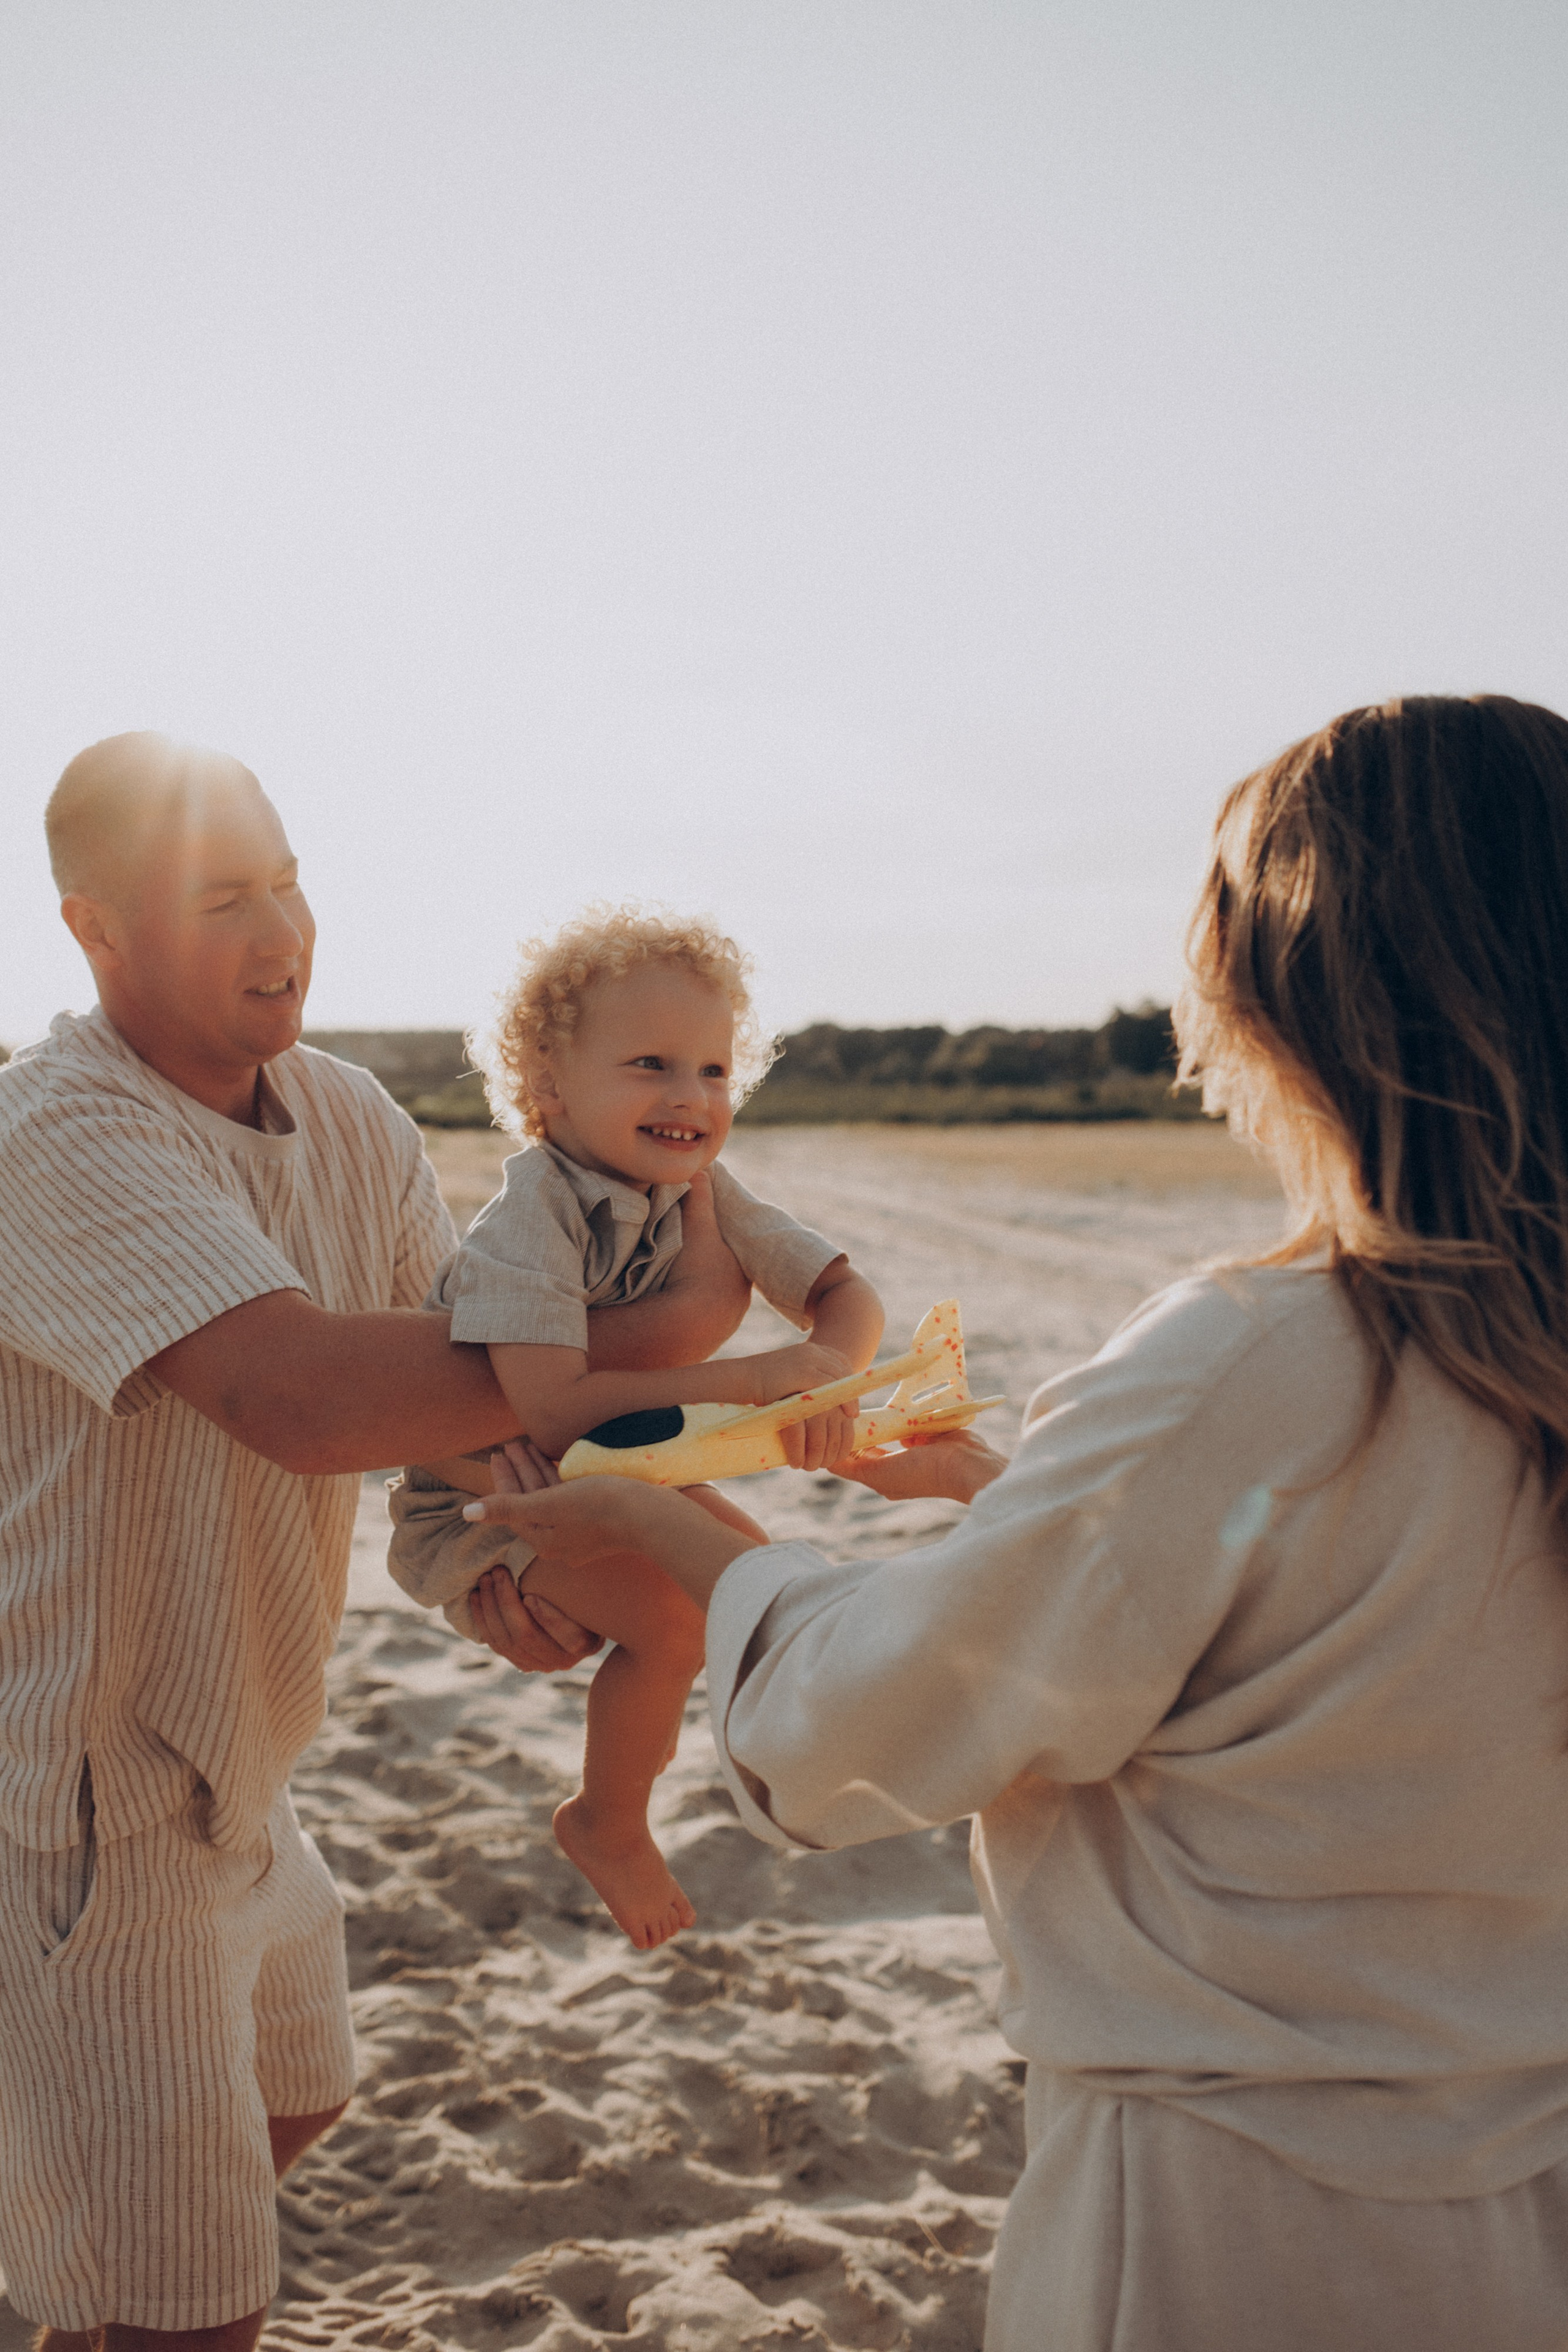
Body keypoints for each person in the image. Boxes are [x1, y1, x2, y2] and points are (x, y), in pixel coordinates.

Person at [463, 695, 1568, 2351]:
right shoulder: (1506, 1349)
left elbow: (875, 1731)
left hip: (1240, 2213)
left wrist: (692, 1534)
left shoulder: (1259, 1356)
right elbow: (1345, 1636)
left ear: (1276, 995)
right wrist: (998, 1495)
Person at [0, 734, 748, 2352]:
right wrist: (719, 1362)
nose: (281, 928)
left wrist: (489, 1580)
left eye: (288, 879)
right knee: (186, 2311)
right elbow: (300, 1398)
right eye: (221, 899)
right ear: (95, 931)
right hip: (83, 1801)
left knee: (294, 2104)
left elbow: (458, 1417)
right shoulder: (56, 1136)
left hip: (248, 1766)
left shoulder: (345, 1115)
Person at [387, 905, 882, 1948]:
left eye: (713, 1070)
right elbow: (551, 1410)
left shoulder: (701, 1186)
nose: (689, 1097)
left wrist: (831, 1376)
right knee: (672, 1626)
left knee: (759, 1582)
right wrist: (755, 1379)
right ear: (549, 1085)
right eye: (651, 1063)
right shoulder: (532, 1214)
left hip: (616, 1469)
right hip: (491, 1486)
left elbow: (844, 1296)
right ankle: (607, 1820)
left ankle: (798, 1775)